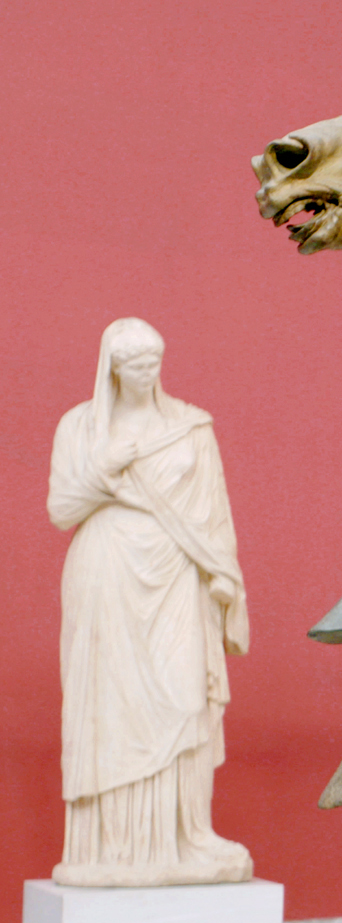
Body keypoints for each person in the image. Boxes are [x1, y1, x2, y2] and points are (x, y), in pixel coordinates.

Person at [47, 317, 252, 887]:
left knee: (186, 697)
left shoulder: (191, 427)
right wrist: (104, 469)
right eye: (133, 364)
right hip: (107, 573)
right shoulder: (81, 427)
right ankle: (109, 846)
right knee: (110, 707)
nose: (146, 372)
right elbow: (61, 509)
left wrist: (224, 573)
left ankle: (190, 834)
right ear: (111, 367)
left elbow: (215, 512)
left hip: (177, 574)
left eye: (153, 362)